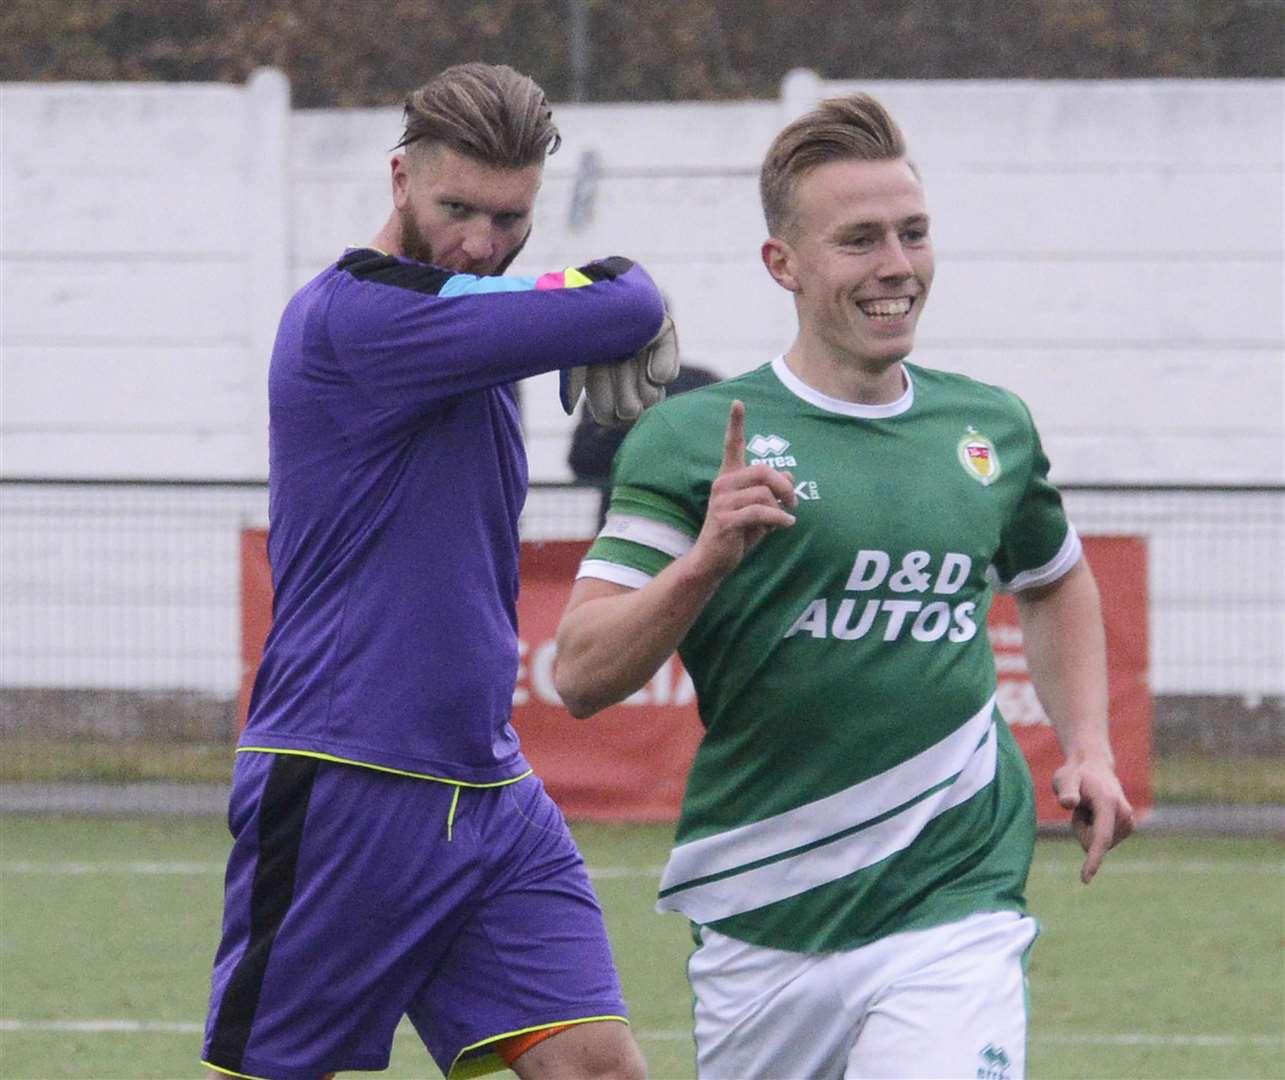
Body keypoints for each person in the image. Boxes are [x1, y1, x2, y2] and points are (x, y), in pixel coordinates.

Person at [553, 93, 1135, 1080]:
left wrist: (1088, 747)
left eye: (912, 234)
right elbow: (577, 673)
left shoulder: (988, 428)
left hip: (954, 902)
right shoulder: (693, 440)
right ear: (784, 264)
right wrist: (701, 564)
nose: (897, 266)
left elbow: (1055, 580)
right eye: (859, 240)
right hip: (761, 914)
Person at [201, 62, 672, 1080]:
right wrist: (606, 302)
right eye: (457, 208)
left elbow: (595, 308)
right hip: (346, 777)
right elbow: (627, 297)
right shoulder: (359, 317)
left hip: (487, 785)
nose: (480, 242)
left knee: (599, 1067)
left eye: (509, 218)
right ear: (399, 178)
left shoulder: (465, 322)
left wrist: (585, 304)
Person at [569, 355, 720, 528]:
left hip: (636, 521)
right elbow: (581, 463)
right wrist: (617, 431)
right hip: (630, 520)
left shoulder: (699, 383)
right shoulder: (606, 388)